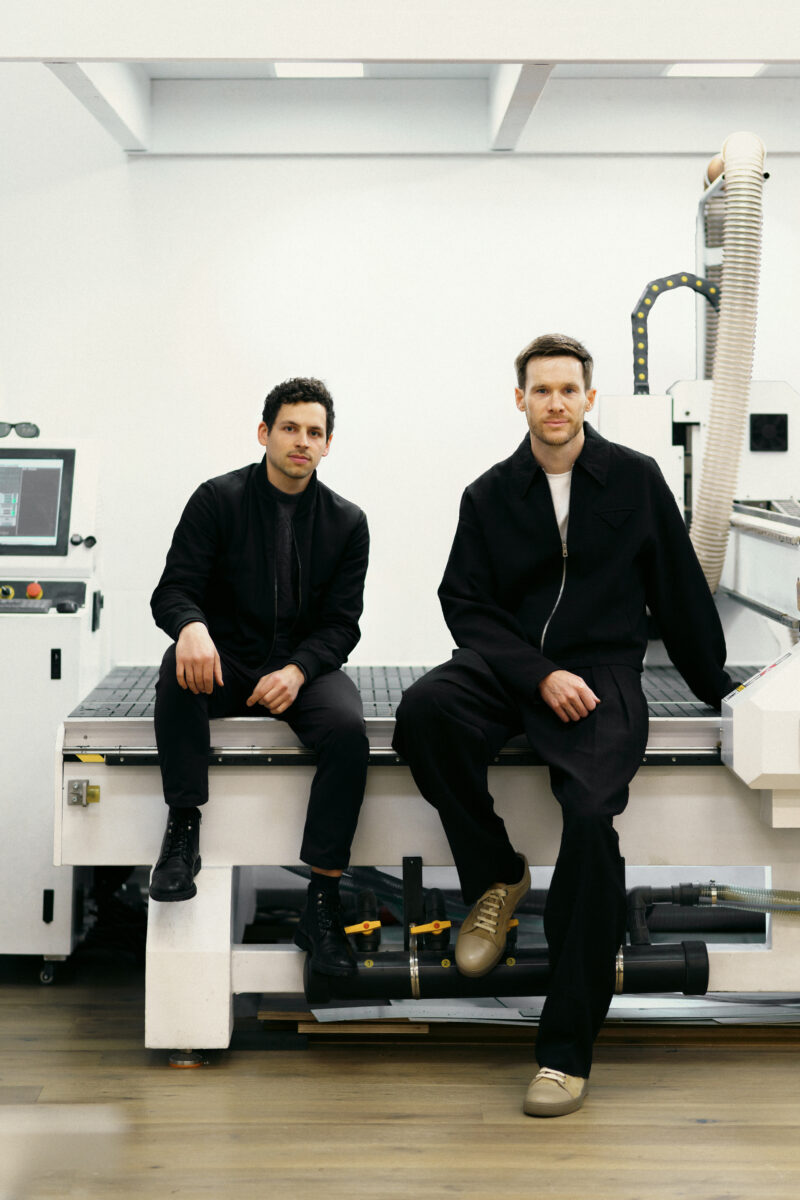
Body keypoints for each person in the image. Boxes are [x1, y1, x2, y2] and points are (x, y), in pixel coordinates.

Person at [393, 333, 733, 1116]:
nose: (555, 402)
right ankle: (496, 876)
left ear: (589, 397)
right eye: (541, 390)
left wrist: (721, 689)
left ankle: (564, 1053)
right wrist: (537, 673)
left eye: (568, 389)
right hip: (510, 666)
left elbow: (679, 591)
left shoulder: (635, 480)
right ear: (520, 399)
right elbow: (464, 603)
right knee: (425, 712)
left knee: (588, 822)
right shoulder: (489, 494)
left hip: (603, 672)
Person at [150, 377, 370, 976]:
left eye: (314, 432)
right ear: (264, 433)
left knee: (349, 731)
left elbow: (342, 625)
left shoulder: (347, 522)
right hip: (227, 659)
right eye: (290, 428)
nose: (302, 441)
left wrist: (300, 669)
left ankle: (322, 901)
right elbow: (173, 589)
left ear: (328, 444)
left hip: (301, 667)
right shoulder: (216, 500)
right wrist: (191, 626)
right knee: (176, 670)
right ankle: (183, 830)